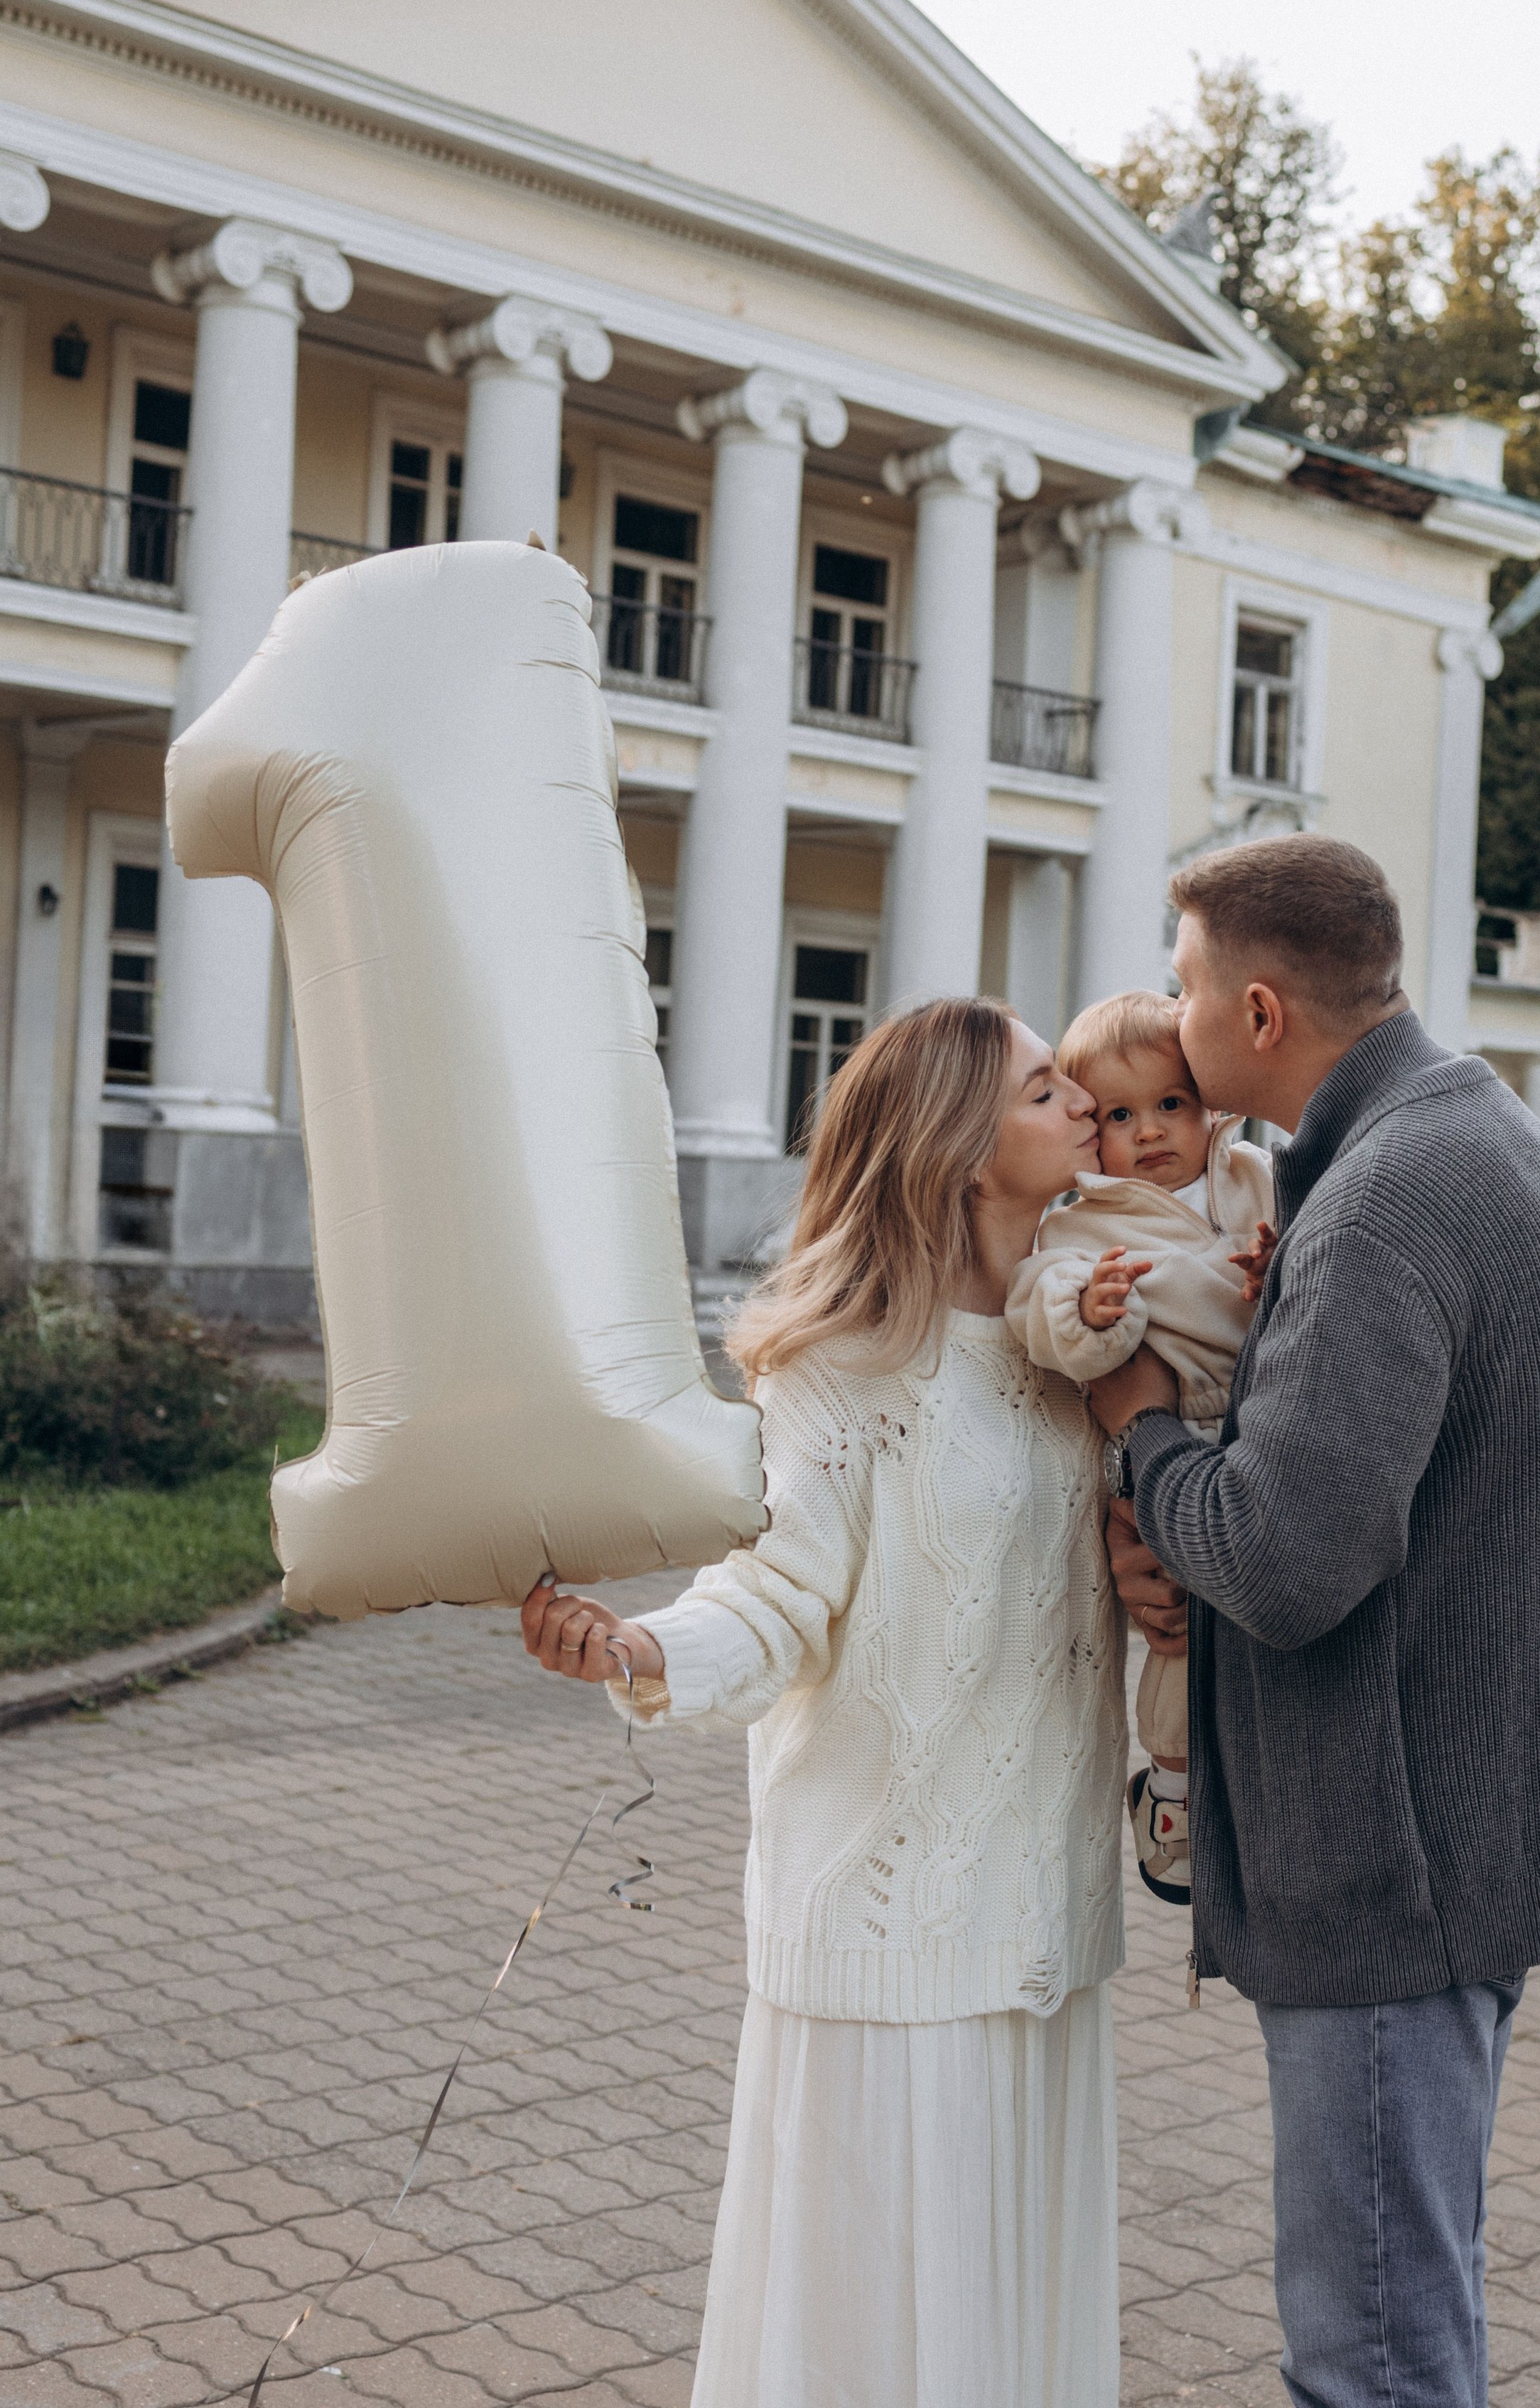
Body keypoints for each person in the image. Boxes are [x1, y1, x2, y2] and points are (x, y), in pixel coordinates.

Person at [522, 998, 1129, 2408]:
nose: (1083, 1104)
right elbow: (776, 1593)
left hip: (1046, 1917)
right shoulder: (840, 1370)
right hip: (891, 1926)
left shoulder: (1083, 1345)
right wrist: (640, 1651)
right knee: (879, 2338)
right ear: (960, 1144)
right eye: (1045, 1089)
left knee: (1011, 2324)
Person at [1088, 833, 1540, 2408]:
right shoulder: (1473, 1133)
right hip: (1467, 1832)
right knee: (1409, 2309)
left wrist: (1141, 1433)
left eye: (1184, 986)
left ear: (1258, 1012)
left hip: (1395, 1872)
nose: (1168, 1014)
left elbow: (1279, 1558)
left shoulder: (1385, 1198)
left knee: (1372, 2357)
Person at [1004, 987, 1274, 1906]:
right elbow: (1042, 1305)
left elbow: (1318, 1260)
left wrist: (1278, 1266)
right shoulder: (1085, 1223)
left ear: (1213, 1109)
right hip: (1174, 1430)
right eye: (1120, 1116)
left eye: (1171, 1104)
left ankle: (1249, 1780)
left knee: (1265, 1624)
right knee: (1179, 1630)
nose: (1151, 1131)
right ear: (1092, 1129)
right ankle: (1171, 1786)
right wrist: (1093, 1315)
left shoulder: (1255, 1180)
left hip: (1263, 1424)